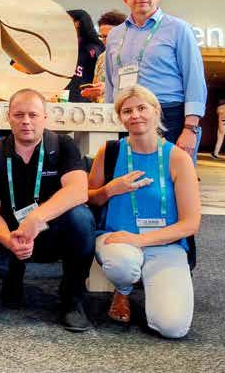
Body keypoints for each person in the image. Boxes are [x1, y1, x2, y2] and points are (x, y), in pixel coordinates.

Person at [0, 88, 95, 332]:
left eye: (33, 115)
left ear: (45, 117)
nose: (26, 121)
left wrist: (36, 219)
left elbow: (79, 190)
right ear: (8, 117)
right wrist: (10, 241)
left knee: (81, 218)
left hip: (50, 232)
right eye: (18, 115)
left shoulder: (63, 145)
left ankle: (73, 296)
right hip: (11, 233)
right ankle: (13, 272)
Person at [87, 85, 201, 339]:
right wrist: (110, 189)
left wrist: (140, 239)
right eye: (127, 111)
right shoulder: (110, 151)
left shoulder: (178, 158)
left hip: (165, 245)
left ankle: (155, 286)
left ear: (156, 111)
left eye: (142, 108)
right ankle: (123, 290)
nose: (135, 115)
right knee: (122, 264)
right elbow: (88, 197)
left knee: (173, 328)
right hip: (117, 240)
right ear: (120, 118)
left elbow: (191, 223)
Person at [103, 0, 206, 161]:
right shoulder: (115, 35)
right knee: (129, 173)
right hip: (125, 117)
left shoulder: (179, 29)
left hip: (169, 116)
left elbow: (194, 78)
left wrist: (190, 128)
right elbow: (110, 81)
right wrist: (108, 118)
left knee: (171, 175)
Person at [81, 10, 125, 103]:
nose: (105, 40)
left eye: (109, 36)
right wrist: (92, 93)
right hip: (102, 109)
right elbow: (97, 91)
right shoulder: (102, 57)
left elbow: (136, 88)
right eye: (102, 36)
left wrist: (107, 88)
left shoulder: (133, 56)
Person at [65, 10, 105, 103]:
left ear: (78, 23)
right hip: (65, 95)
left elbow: (98, 76)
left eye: (67, 20)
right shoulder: (65, 46)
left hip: (83, 99)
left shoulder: (93, 48)